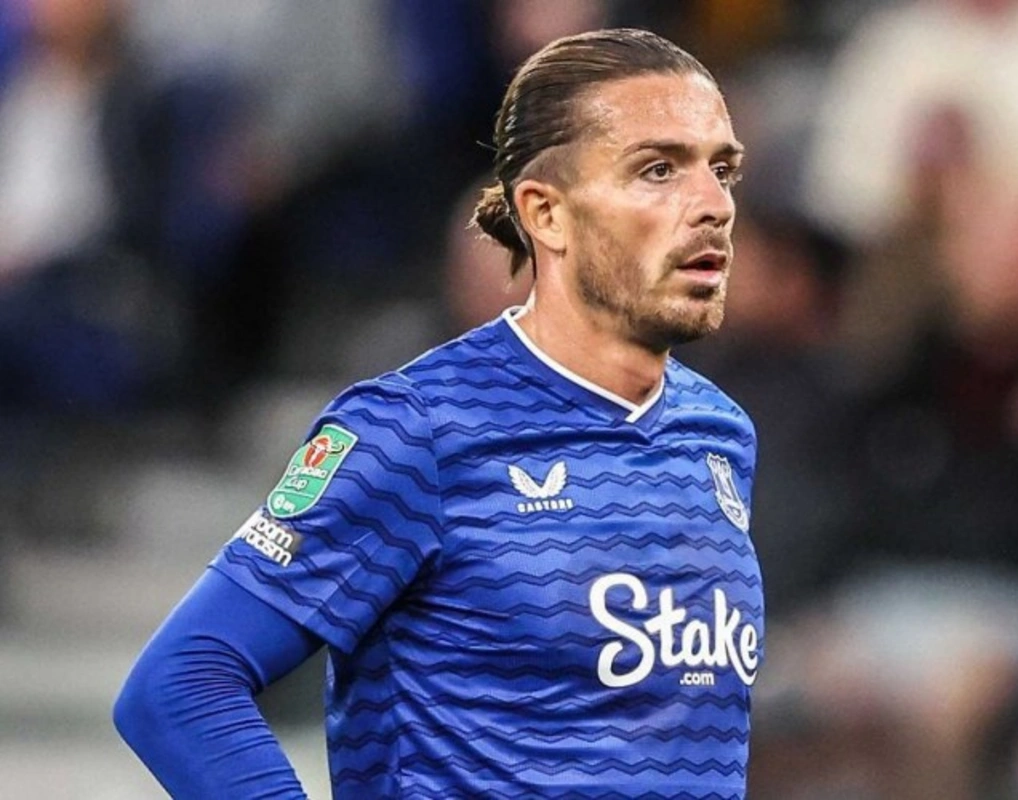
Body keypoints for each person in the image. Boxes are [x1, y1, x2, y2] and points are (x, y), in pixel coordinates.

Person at [113, 27, 763, 799]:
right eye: (658, 169)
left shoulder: (719, 432)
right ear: (546, 214)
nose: (713, 205)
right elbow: (180, 684)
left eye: (722, 170)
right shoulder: (416, 429)